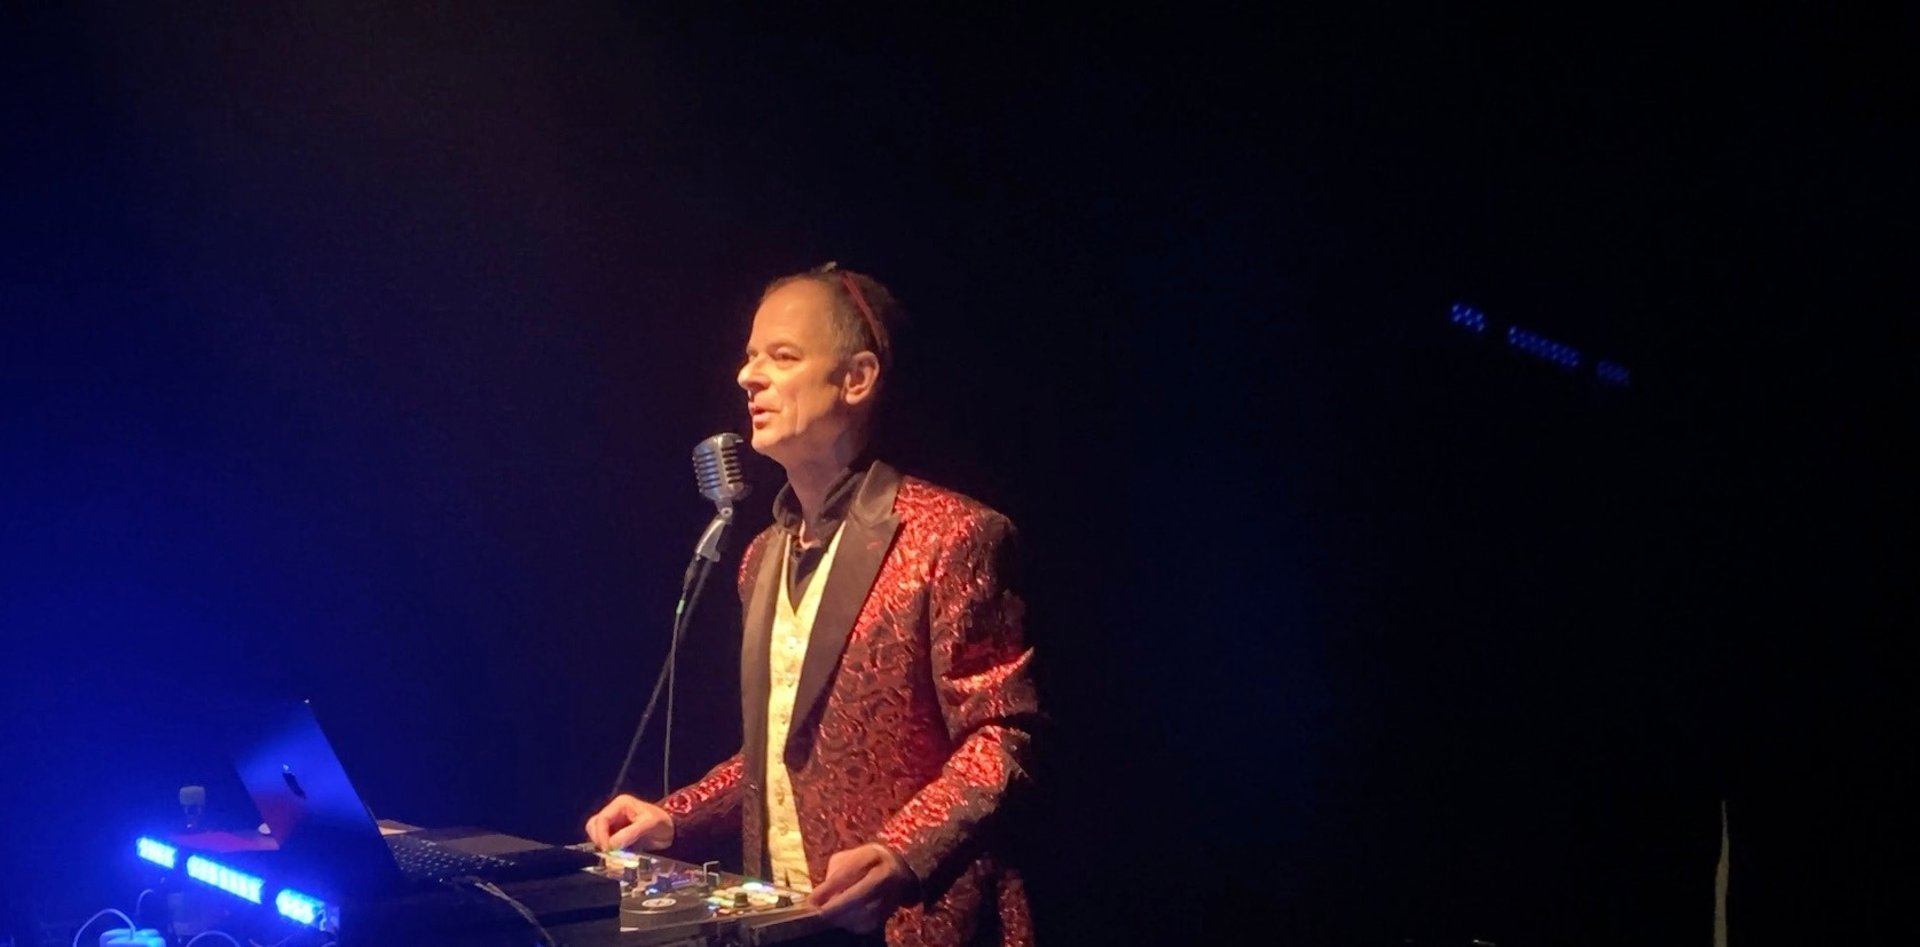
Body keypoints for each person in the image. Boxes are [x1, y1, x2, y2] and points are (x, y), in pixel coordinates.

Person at [586, 264, 1041, 947]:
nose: (748, 375)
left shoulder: (953, 536)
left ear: (857, 379)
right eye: (749, 355)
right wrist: (671, 818)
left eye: (782, 355)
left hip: (918, 928)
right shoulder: (759, 555)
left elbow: (1003, 737)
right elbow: (777, 755)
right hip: (787, 927)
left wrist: (899, 853)